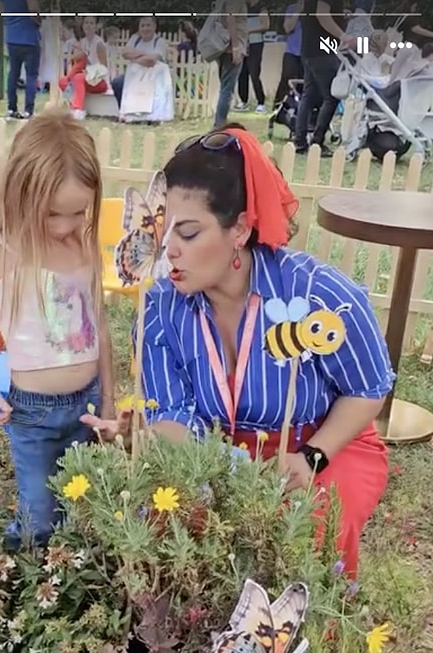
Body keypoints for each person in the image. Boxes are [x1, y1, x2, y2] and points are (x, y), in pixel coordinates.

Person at [82, 125, 393, 577]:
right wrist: (225, 469)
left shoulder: (318, 294)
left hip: (320, 446)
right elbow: (173, 415)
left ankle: (312, 639)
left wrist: (311, 457)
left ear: (241, 229)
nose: (168, 250)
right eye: (162, 228)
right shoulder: (159, 306)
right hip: (213, 451)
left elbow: (368, 389)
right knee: (168, 528)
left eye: (187, 233)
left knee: (310, 530)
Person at [0, 112, 114, 552]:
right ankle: (17, 584)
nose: (65, 226)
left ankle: (64, 589)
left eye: (78, 212)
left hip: (89, 406)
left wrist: (112, 402)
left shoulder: (84, 243)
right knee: (38, 515)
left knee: (82, 509)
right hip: (33, 416)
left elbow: (100, 326)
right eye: (52, 215)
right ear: (21, 194)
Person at [295, 0, 348, 156]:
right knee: (331, 96)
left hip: (309, 48)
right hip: (322, 50)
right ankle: (317, 141)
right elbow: (322, 13)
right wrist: (343, 35)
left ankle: (300, 141)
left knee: (308, 96)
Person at [111, 16, 174, 124]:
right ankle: (128, 112)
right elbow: (125, 53)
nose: (145, 28)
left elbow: (152, 60)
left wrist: (134, 56)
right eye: (143, 26)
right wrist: (144, 55)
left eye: (148, 25)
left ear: (154, 27)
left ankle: (149, 116)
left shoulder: (159, 42)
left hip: (153, 77)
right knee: (117, 82)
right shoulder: (135, 39)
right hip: (135, 75)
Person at [58, 15, 108, 120]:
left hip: (98, 79)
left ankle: (78, 109)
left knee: (79, 78)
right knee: (64, 80)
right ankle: (71, 104)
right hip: (85, 77)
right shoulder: (83, 42)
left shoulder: (99, 43)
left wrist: (89, 74)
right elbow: (79, 59)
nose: (88, 26)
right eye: (86, 23)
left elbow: (103, 67)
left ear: (96, 26)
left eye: (91, 23)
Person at [2, 0, 41, 120]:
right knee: (31, 76)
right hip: (29, 38)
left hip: (12, 37)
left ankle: (11, 109)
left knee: (13, 74)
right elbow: (33, 9)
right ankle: (28, 111)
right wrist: (39, 21)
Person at [213, 2, 248, 126]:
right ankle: (219, 124)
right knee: (227, 90)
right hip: (231, 48)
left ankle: (220, 121)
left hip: (222, 47)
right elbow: (230, 19)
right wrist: (236, 47)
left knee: (225, 88)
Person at [237, 2, 269, 112]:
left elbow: (265, 25)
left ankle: (261, 102)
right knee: (242, 72)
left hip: (256, 43)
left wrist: (249, 30)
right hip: (243, 43)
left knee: (254, 72)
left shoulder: (261, 8)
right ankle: (243, 100)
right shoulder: (243, 7)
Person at [274, 4, 303, 106]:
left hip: (308, 52)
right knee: (286, 78)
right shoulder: (292, 8)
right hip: (292, 51)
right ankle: (279, 104)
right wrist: (298, 11)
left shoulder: (315, 8)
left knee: (304, 81)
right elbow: (287, 28)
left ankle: (300, 105)